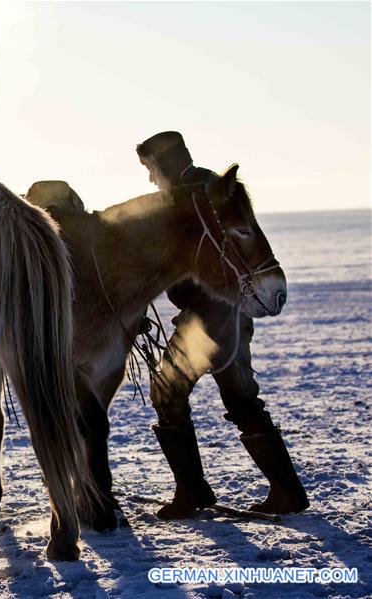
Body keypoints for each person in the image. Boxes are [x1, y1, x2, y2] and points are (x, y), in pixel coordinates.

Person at [136, 131, 309, 519]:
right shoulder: (205, 191)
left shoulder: (198, 198)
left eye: (149, 167)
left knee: (167, 391)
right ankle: (287, 491)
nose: (149, 177)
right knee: (240, 398)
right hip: (224, 313)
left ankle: (193, 490)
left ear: (164, 161)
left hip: (211, 316)